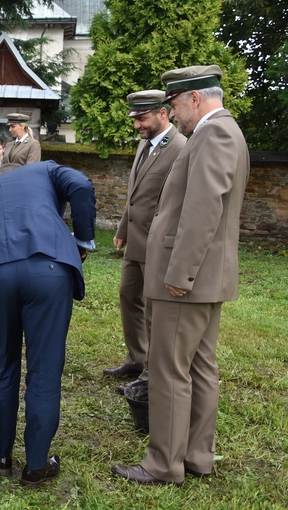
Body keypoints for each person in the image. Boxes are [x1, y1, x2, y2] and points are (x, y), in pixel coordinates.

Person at [112, 65, 249, 486]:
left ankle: (162, 465)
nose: (173, 112)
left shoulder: (214, 133)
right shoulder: (221, 132)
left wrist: (181, 273)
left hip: (187, 280)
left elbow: (204, 209)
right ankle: (196, 456)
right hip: (206, 278)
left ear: (193, 98)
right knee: (201, 366)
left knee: (170, 369)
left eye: (173, 103)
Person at [0, 160, 96, 488]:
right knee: (44, 371)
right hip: (48, 271)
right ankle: (36, 467)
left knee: (4, 362)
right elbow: (80, 185)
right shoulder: (46, 170)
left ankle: (0, 458)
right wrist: (83, 242)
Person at [104, 90, 186, 394]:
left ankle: (152, 374)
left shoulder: (180, 147)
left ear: (162, 113)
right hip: (137, 240)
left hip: (159, 243)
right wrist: (123, 229)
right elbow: (136, 194)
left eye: (142, 118)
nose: (137, 124)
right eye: (135, 119)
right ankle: (137, 358)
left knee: (153, 308)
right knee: (129, 296)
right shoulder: (144, 145)